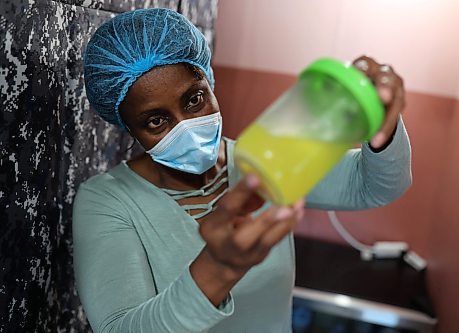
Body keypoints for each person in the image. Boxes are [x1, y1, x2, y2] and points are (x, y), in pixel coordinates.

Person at [73, 8, 412, 333]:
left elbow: (375, 185)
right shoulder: (107, 202)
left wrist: (382, 124)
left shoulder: (268, 158)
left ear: (209, 82)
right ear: (129, 128)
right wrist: (220, 269)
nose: (188, 127)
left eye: (194, 99)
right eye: (156, 121)